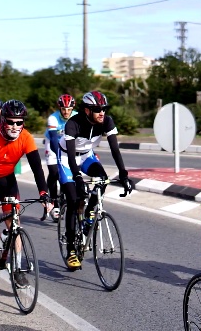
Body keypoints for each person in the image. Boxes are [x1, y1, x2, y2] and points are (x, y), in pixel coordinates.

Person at [0, 99, 49, 287]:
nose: (14, 126)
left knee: (15, 222)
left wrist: (44, 193)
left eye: (19, 122)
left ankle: (17, 269)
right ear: (3, 120)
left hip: (6, 177)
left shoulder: (26, 138)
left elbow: (37, 168)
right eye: (11, 122)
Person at [57, 91, 134, 269]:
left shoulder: (106, 121)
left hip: (86, 156)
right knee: (73, 198)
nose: (102, 112)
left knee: (103, 179)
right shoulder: (73, 124)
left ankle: (90, 213)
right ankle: (71, 252)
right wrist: (77, 177)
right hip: (67, 158)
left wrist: (124, 174)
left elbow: (115, 150)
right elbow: (69, 157)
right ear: (86, 110)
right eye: (97, 109)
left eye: (104, 109)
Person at [44, 94, 78, 222]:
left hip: (68, 144)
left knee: (68, 172)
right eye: (63, 109)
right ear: (59, 108)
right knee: (54, 171)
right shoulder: (53, 118)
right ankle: (54, 202)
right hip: (53, 144)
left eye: (69, 109)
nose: (66, 112)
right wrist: (59, 156)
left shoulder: (76, 116)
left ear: (72, 109)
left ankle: (65, 194)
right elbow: (53, 139)